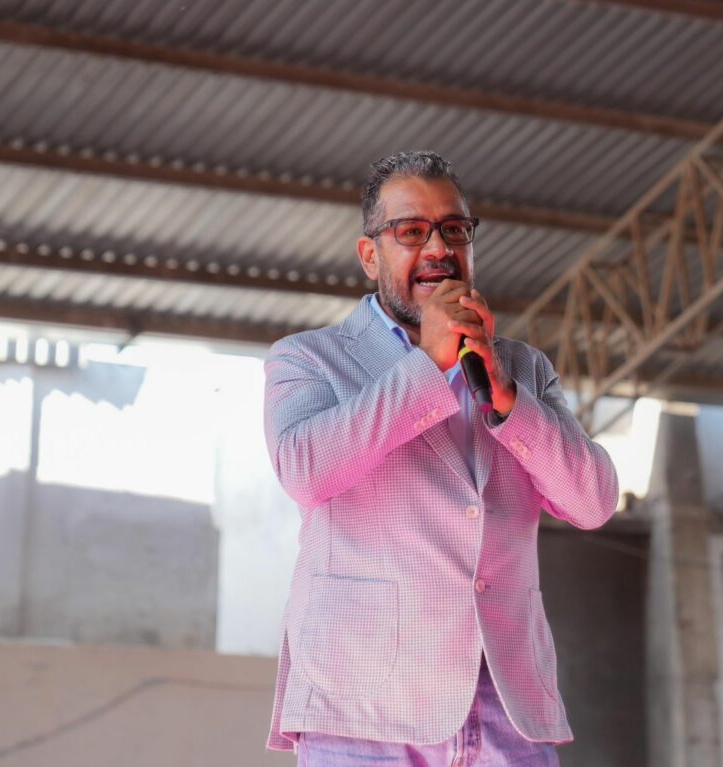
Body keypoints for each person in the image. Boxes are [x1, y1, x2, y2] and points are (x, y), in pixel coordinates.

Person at [263, 150, 619, 766]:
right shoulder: (310, 359)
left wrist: (507, 397)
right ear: (370, 255)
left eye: (454, 229)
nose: (438, 249)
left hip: (508, 709)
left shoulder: (523, 368)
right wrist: (428, 365)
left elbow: (593, 502)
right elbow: (304, 470)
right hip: (362, 709)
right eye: (411, 231)